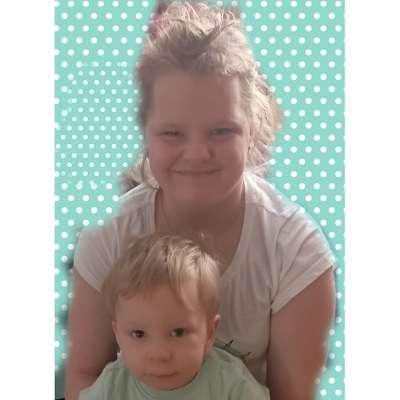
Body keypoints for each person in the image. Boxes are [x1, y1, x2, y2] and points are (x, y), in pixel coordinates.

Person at [65, 2, 336, 399]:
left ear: (251, 130)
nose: (197, 153)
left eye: (221, 131)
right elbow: (84, 376)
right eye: (172, 133)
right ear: (144, 133)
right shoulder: (107, 235)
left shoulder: (296, 251)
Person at [79, 234, 270, 399]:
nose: (159, 354)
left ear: (210, 333)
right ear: (118, 335)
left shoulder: (231, 383)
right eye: (139, 334)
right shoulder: (111, 386)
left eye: (178, 332)